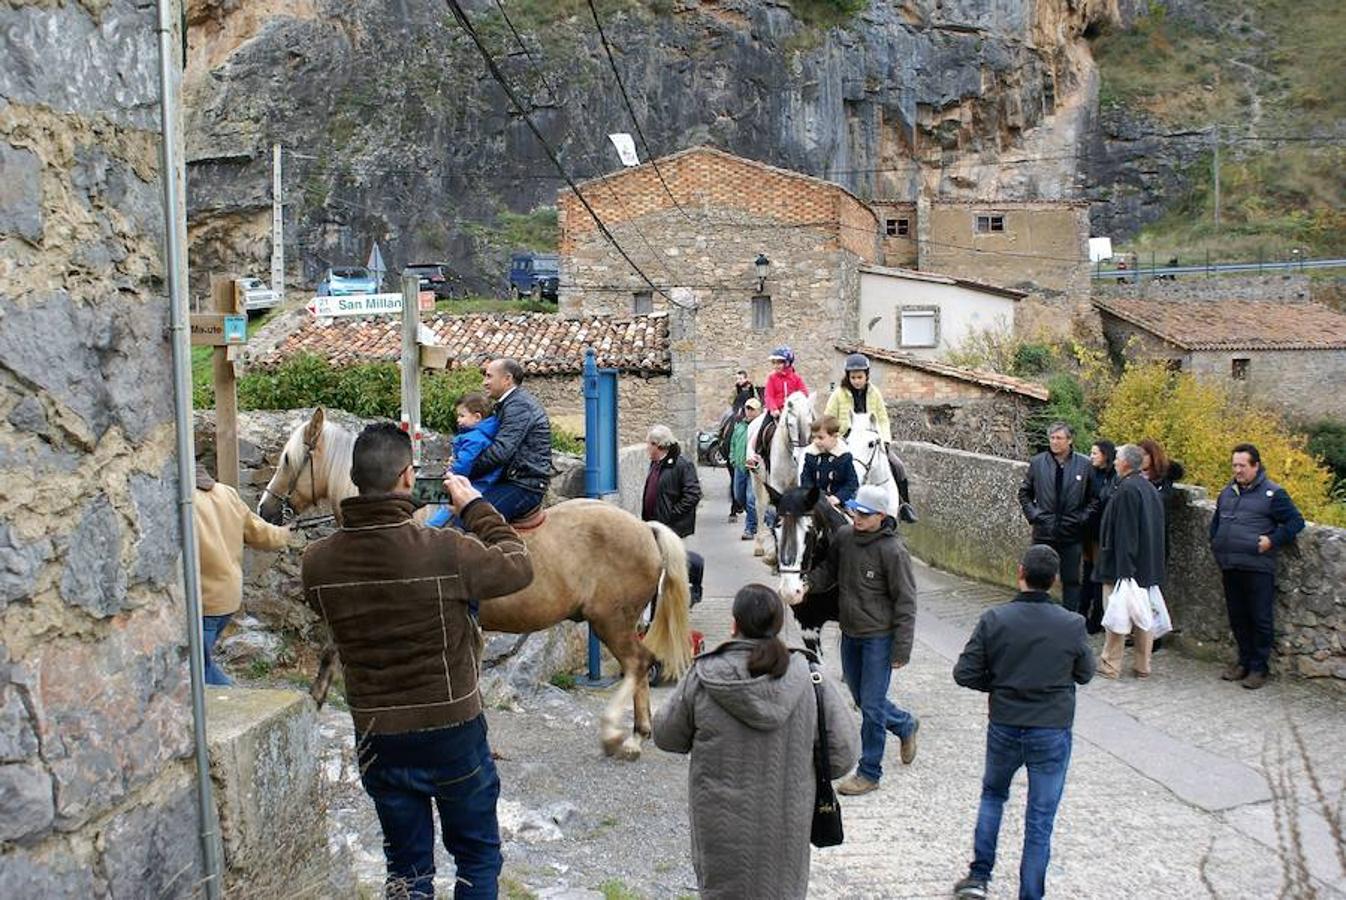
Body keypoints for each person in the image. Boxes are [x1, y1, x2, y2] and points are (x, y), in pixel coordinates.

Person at [301, 423, 534, 899]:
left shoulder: (318, 563)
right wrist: (474, 507)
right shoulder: (446, 551)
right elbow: (518, 564)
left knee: (406, 869)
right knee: (475, 858)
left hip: (377, 734)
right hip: (452, 729)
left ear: (356, 478)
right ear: (408, 477)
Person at [653, 584, 859, 900]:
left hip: (719, 826)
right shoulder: (809, 675)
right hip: (786, 823)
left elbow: (667, 736)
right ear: (778, 626)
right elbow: (843, 755)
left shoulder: (704, 675)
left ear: (734, 624)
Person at [952, 545, 1096, 900]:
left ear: (1020, 573)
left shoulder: (994, 619)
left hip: (1005, 722)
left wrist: (1000, 685)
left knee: (993, 796)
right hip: (1050, 728)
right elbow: (1086, 673)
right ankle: (1030, 894)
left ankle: (978, 876)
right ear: (1056, 580)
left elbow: (964, 673)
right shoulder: (1072, 624)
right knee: (1040, 817)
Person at [807, 483, 919, 796]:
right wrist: (807, 584)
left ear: (881, 516)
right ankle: (904, 724)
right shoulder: (844, 538)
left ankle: (870, 771)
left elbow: (906, 602)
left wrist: (901, 649)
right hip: (851, 634)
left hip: (878, 639)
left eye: (865, 514)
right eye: (856, 510)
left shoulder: (894, 551)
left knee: (870, 706)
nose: (857, 517)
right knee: (862, 699)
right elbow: (828, 570)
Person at [1209, 443, 1306, 690]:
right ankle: (1243, 662)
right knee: (1238, 617)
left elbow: (1296, 522)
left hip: (1257, 566)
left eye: (1243, 465)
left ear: (1256, 466)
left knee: (1260, 619)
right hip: (1230, 564)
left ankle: (1258, 668)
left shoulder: (1273, 494)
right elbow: (1217, 522)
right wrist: (1216, 542)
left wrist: (1272, 540)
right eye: (1235, 465)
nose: (1238, 470)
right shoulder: (1227, 493)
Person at [193, 464, 290, 686]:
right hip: (227, 602)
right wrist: (286, 534)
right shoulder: (227, 494)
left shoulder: (182, 501)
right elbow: (261, 534)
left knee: (197, 671)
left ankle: (234, 701)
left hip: (203, 605)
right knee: (201, 664)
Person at [1092, 443, 1166, 679]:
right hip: (1147, 566)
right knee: (1143, 617)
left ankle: (1111, 664)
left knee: (1117, 614)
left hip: (1122, 567)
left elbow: (1125, 533)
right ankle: (1143, 665)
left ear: (1125, 463)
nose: (1114, 462)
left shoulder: (1126, 490)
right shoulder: (1149, 488)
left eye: (1117, 458)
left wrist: (1124, 570)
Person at [824, 352, 916, 522]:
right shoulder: (838, 394)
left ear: (867, 375)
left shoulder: (875, 393)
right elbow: (828, 418)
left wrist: (885, 440)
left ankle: (904, 505)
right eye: (853, 377)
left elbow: (882, 418)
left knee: (898, 465)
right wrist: (835, 438)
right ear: (848, 377)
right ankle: (833, 501)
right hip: (847, 440)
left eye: (860, 377)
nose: (857, 380)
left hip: (872, 440)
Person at [1017, 422, 1095, 614]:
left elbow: (1094, 499)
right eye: (1052, 438)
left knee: (1071, 580)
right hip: (1044, 531)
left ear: (1069, 441)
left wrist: (1081, 518)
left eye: (1059, 438)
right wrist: (1034, 515)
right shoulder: (1038, 462)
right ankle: (1037, 615)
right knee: (1037, 577)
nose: (1054, 442)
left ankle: (1070, 618)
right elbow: (1024, 493)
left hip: (1071, 533)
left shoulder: (1084, 465)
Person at [470, 357, 552, 521]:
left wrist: (467, 468)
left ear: (507, 379)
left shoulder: (519, 406)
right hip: (515, 479)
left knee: (469, 518)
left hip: (524, 484)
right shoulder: (508, 404)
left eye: (489, 376)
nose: (484, 382)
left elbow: (501, 451)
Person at [642, 424, 705, 605]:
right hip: (655, 526)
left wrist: (671, 515)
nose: (647, 448)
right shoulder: (655, 463)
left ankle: (681, 601)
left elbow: (693, 494)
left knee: (674, 569)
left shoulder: (681, 465)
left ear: (658, 445)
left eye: (649, 444)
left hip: (673, 528)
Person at [427, 393, 501, 529]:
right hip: (479, 479)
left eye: (462, 416)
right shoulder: (477, 434)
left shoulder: (474, 438)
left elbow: (465, 463)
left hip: (477, 482)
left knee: (450, 505)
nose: (458, 420)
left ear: (477, 417)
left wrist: (451, 474)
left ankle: (431, 527)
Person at [1081, 440, 1118, 634]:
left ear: (1105, 455)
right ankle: (1084, 614)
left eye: (1095, 453)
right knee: (1088, 573)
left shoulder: (1114, 477)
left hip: (1102, 532)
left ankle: (1097, 617)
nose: (1092, 456)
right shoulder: (1090, 472)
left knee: (1098, 575)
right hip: (1090, 531)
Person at [800, 415, 860, 506]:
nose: (816, 441)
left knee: (854, 515)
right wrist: (814, 496)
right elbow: (806, 478)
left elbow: (852, 483)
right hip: (815, 500)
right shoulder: (811, 455)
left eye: (820, 438)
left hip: (839, 501)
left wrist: (838, 497)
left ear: (834, 437)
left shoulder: (844, 456)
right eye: (814, 437)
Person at [729, 398, 763, 542]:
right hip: (740, 466)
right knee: (739, 496)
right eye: (747, 408)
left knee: (750, 499)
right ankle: (765, 517)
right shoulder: (740, 425)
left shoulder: (760, 426)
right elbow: (733, 442)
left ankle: (750, 528)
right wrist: (733, 458)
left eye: (752, 409)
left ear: (758, 411)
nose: (749, 412)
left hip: (754, 468)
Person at [763, 346, 808, 417]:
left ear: (787, 363)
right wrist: (773, 408)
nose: (775, 366)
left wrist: (795, 405)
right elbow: (768, 396)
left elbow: (804, 394)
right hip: (776, 411)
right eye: (774, 363)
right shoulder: (771, 378)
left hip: (793, 410)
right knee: (763, 426)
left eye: (778, 363)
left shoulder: (796, 378)